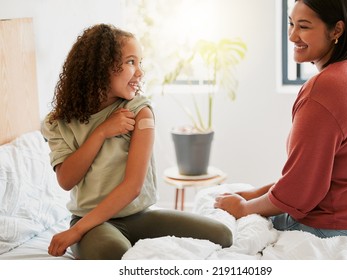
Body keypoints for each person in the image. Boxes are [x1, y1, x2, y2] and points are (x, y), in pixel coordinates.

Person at [42, 23, 232, 260]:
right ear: (101, 68)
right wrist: (101, 132)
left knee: (223, 235)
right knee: (112, 252)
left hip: (138, 216)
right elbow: (66, 180)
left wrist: (75, 232)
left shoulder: (140, 111)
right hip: (90, 222)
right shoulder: (57, 122)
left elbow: (133, 186)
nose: (140, 72)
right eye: (131, 62)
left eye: (140, 62)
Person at [215, 0, 347, 240]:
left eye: (304, 27)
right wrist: (256, 193)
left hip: (341, 224)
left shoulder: (324, 88)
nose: (292, 36)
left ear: (336, 30)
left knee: (221, 215)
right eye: (291, 24)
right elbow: (328, 173)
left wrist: (244, 209)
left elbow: (300, 192)